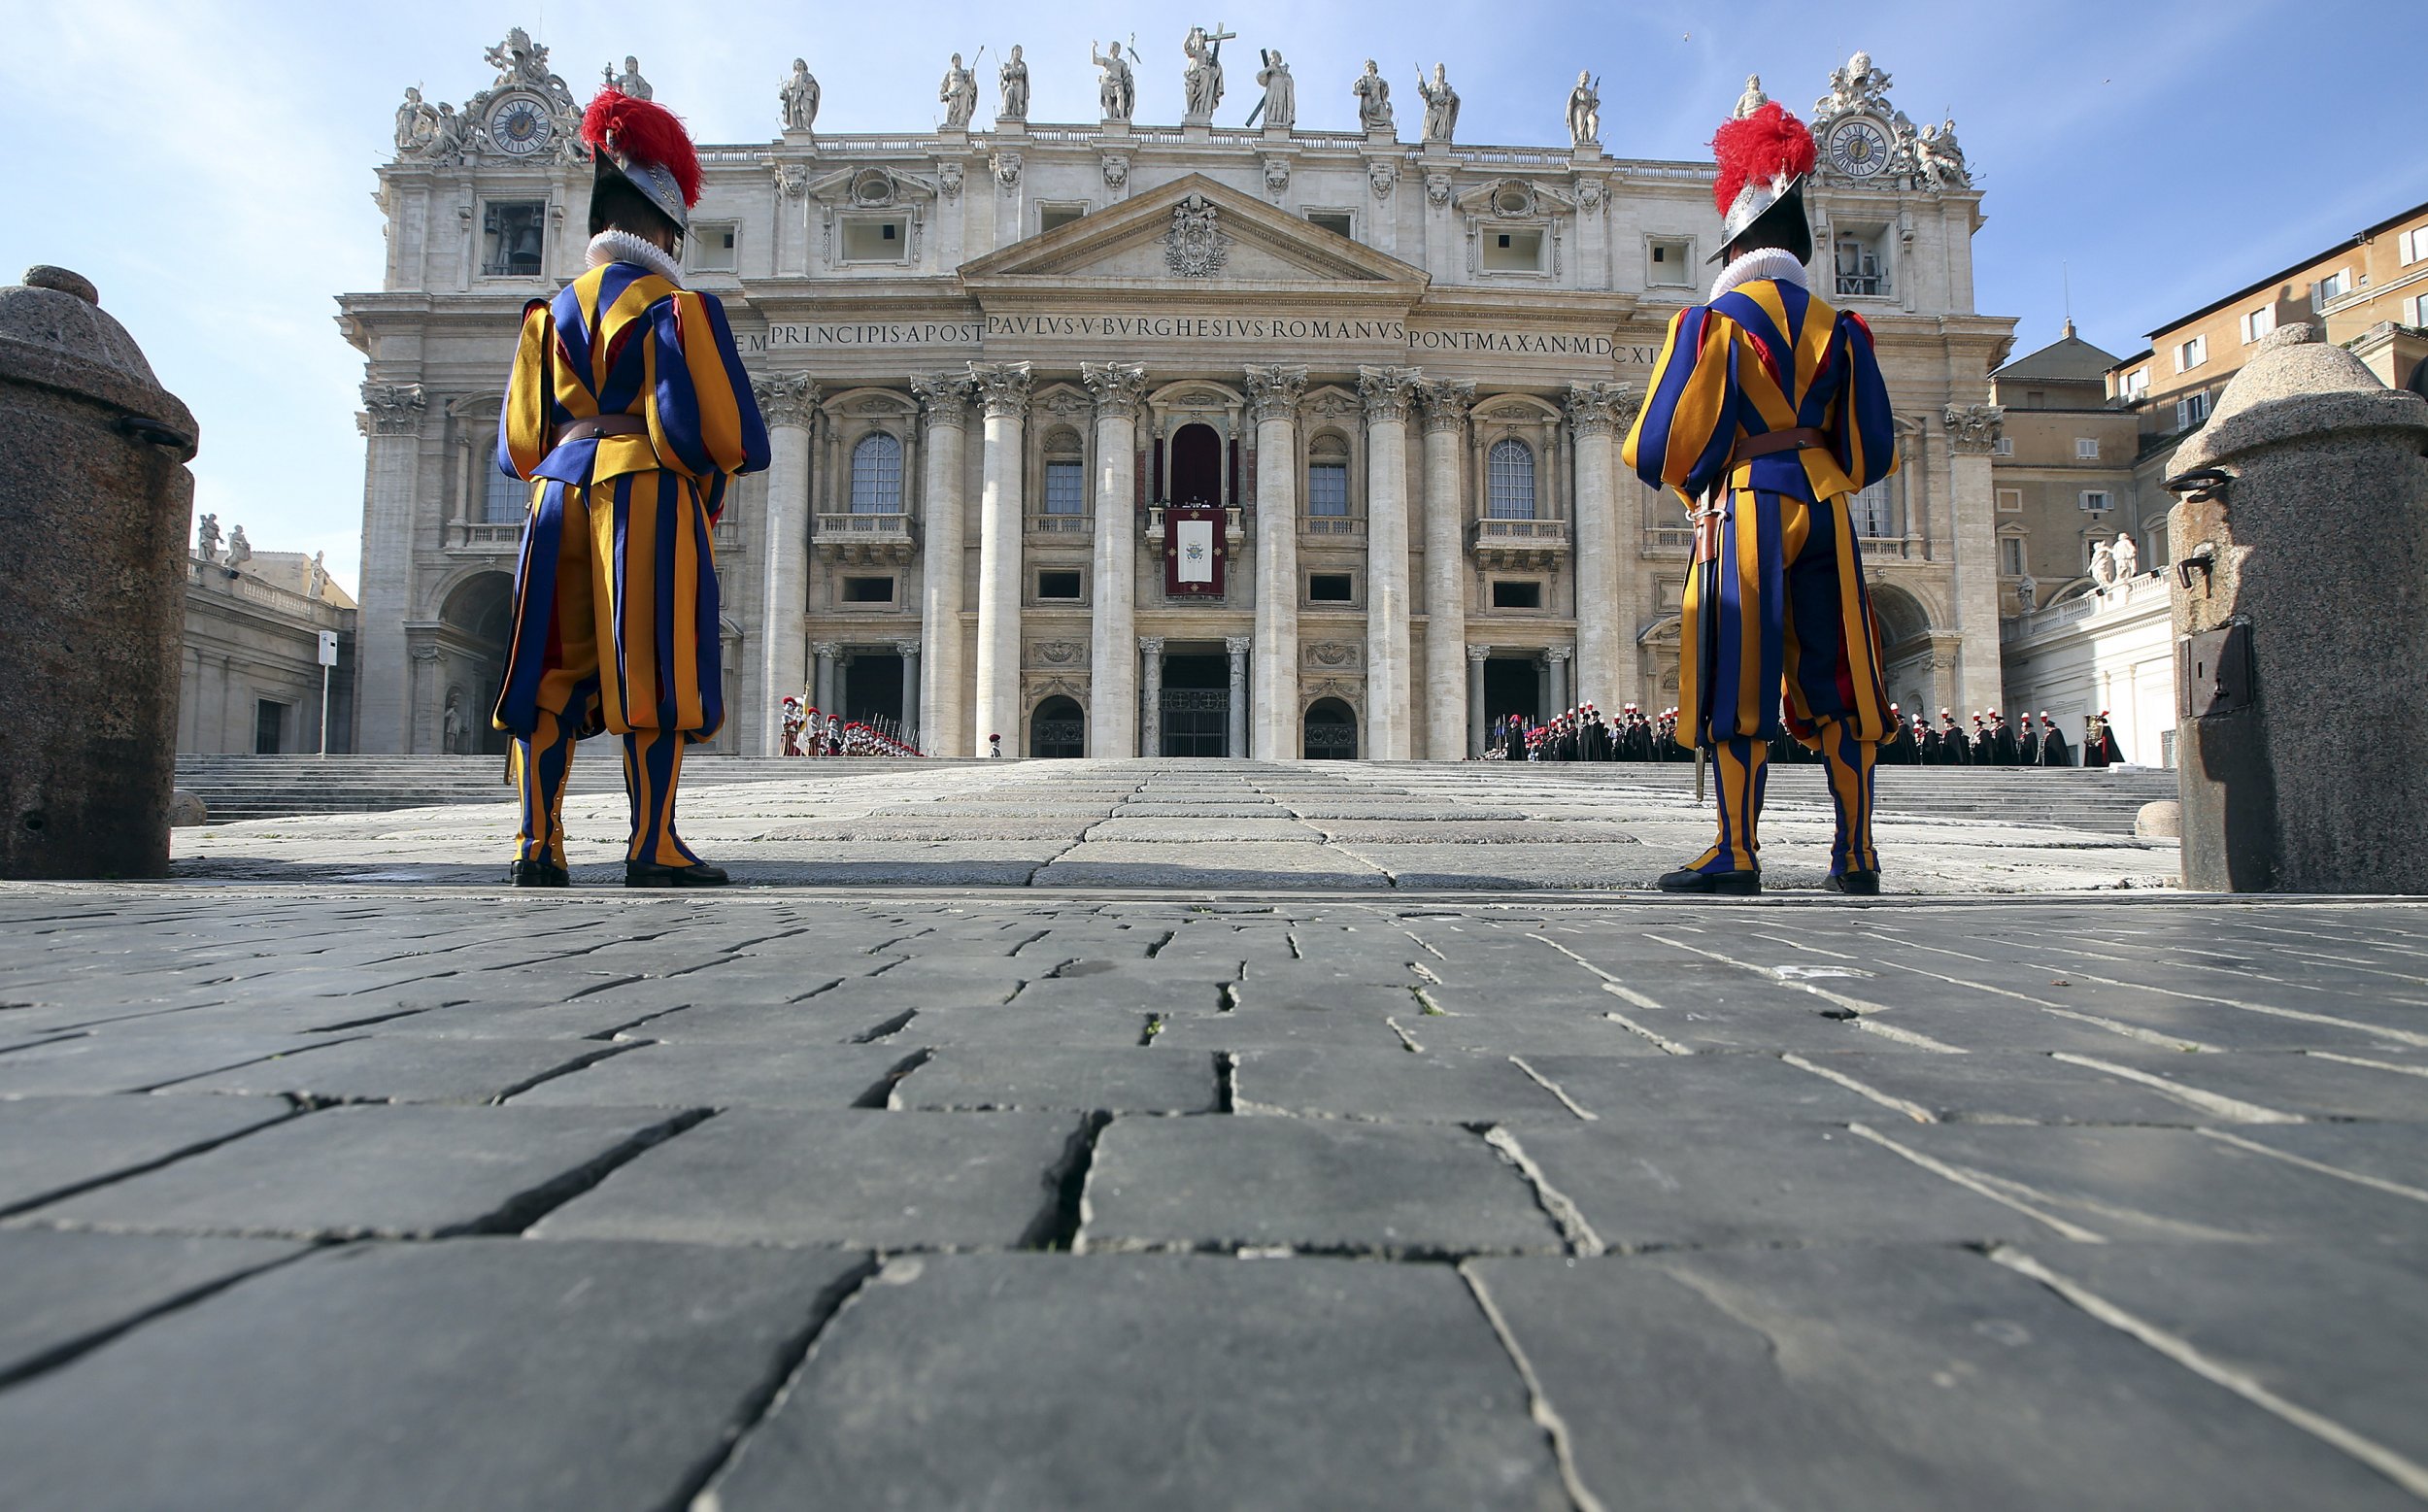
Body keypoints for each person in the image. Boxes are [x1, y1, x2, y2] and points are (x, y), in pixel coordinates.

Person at [492, 86, 769, 889]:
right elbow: (718, 433)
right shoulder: (676, 308)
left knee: (547, 668)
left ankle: (536, 844)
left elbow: (517, 441)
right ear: (664, 227)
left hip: (554, 493)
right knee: (654, 663)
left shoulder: (546, 317)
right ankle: (653, 843)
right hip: (642, 490)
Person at [1625, 97, 1897, 895]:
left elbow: (1657, 443)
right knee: (1841, 676)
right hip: (1827, 508)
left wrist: (1699, 481)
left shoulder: (1711, 324)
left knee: (1736, 675)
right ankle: (1856, 854)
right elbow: (1873, 446)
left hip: (1745, 505)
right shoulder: (1844, 329)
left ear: (1735, 247)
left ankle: (1737, 850)